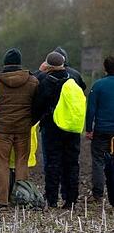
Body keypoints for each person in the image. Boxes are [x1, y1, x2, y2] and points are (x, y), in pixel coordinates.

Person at [33, 51, 86, 209]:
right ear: (63, 63)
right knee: (72, 163)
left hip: (52, 127)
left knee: (53, 163)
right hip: (72, 127)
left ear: (48, 65)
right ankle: (71, 199)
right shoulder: (74, 78)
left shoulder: (45, 80)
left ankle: (52, 199)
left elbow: (38, 105)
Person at [0, 48, 38, 207]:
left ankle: (2, 200)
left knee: (2, 164)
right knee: (21, 163)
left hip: (2, 129)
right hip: (23, 128)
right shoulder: (32, 81)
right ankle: (21, 198)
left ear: (5, 63)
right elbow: (37, 104)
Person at [86, 56, 114, 205]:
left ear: (105, 68)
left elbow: (91, 109)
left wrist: (89, 129)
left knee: (98, 160)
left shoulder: (98, 85)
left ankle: (98, 194)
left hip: (102, 130)